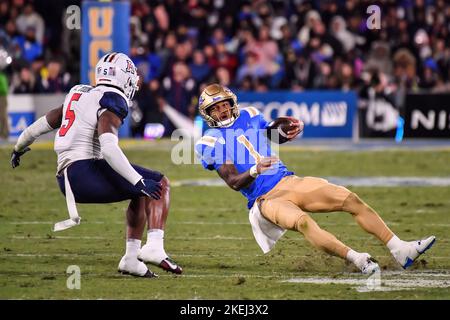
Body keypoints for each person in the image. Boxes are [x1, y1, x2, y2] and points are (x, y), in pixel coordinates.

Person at [195, 83, 435, 274]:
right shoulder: (211, 139)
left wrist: (285, 130)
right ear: (208, 114)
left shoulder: (250, 113)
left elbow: (270, 133)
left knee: (349, 198)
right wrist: (256, 170)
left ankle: (400, 248)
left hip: (288, 180)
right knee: (303, 222)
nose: (222, 111)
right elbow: (233, 181)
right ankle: (357, 259)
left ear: (232, 103)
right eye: (215, 109)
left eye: (224, 105)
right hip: (265, 199)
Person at [10, 52, 182, 278]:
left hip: (66, 177)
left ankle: (131, 259)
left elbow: (43, 124)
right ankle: (154, 247)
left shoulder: (79, 93)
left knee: (138, 192)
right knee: (160, 183)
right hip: (84, 172)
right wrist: (138, 181)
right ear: (122, 77)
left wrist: (19, 146)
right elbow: (109, 148)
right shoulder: (112, 99)